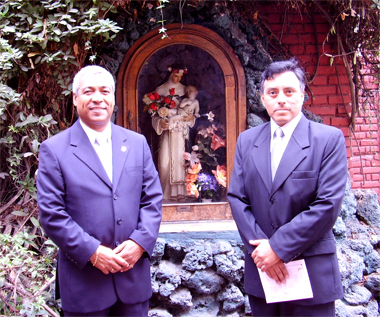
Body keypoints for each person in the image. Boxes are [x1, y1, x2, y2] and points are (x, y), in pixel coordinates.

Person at [37, 65, 163, 316]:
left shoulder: (136, 143)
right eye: (88, 91)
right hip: (85, 283)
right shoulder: (54, 150)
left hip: (132, 277)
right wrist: (92, 252)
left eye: (105, 91)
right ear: (75, 98)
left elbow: (152, 199)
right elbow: (52, 214)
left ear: (113, 99)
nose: (97, 98)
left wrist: (139, 243)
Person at [227, 59, 347, 316]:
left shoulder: (328, 139)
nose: (281, 99)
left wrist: (277, 249)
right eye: (273, 93)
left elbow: (327, 205)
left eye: (289, 91)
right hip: (263, 273)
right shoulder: (247, 141)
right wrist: (263, 251)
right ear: (262, 98)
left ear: (302, 95)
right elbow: (237, 197)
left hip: (312, 272)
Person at [151, 65, 196, 201]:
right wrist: (160, 123)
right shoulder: (160, 90)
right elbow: (154, 116)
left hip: (181, 132)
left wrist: (191, 118)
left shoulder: (186, 90)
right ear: (170, 74)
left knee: (182, 161)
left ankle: (183, 192)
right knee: (165, 164)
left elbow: (192, 112)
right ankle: (165, 194)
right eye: (176, 76)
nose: (178, 79)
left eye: (180, 77)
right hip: (167, 133)